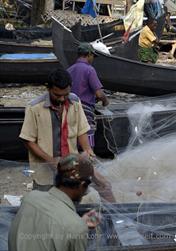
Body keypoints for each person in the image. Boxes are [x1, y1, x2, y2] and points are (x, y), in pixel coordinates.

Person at [19, 69, 115, 202]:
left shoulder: (74, 101)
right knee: (47, 204)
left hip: (72, 164)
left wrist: (87, 150)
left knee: (104, 186)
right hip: (45, 167)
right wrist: (50, 160)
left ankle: (113, 220)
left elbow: (81, 129)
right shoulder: (34, 107)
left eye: (65, 94)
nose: (62, 99)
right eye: (57, 95)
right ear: (48, 88)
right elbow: (28, 140)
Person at [8, 154, 101, 251]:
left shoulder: (30, 198)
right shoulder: (77, 229)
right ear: (82, 185)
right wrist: (79, 226)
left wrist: (80, 223)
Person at [67, 43, 109, 149]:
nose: (92, 59)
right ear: (89, 54)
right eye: (93, 56)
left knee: (72, 142)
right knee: (87, 146)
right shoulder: (89, 70)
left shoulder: (69, 70)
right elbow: (99, 94)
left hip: (69, 109)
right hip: (84, 111)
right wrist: (105, 101)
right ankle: (89, 161)